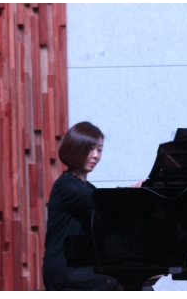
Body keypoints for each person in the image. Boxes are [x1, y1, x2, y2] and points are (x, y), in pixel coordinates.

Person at [42, 121, 143, 291]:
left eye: (99, 150)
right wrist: (132, 190)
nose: (96, 155)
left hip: (81, 264)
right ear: (76, 148)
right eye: (90, 149)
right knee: (120, 282)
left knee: (135, 280)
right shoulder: (65, 186)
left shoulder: (86, 187)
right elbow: (102, 200)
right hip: (64, 270)